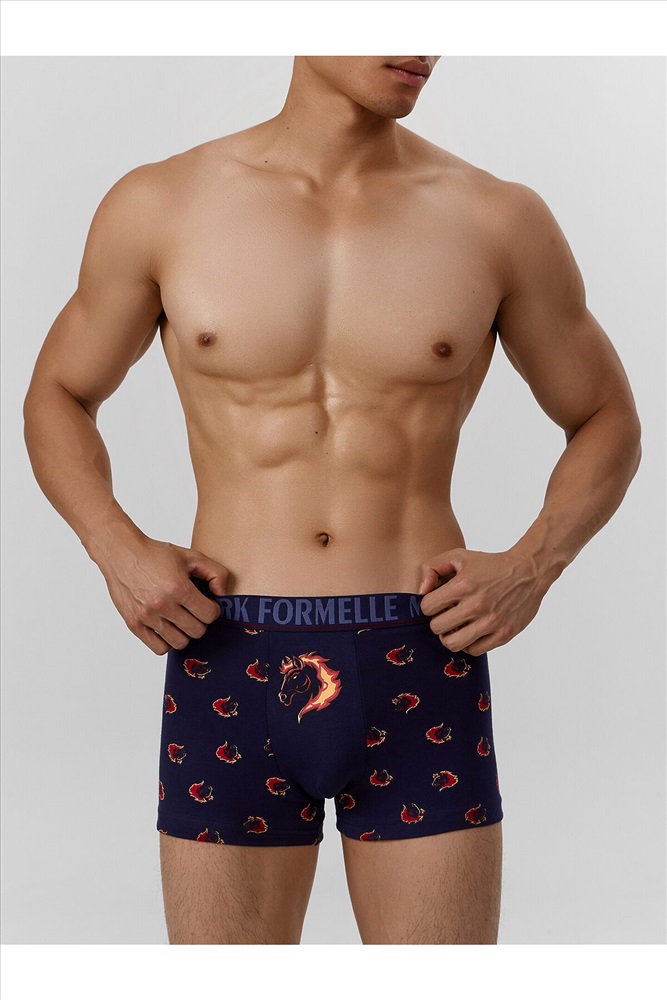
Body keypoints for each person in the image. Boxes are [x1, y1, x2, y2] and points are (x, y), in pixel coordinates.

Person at [23, 55, 641, 945]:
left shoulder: (496, 218)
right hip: (227, 646)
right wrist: (114, 546)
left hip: (420, 650)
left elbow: (604, 416)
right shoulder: (161, 205)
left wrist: (532, 564)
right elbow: (58, 392)